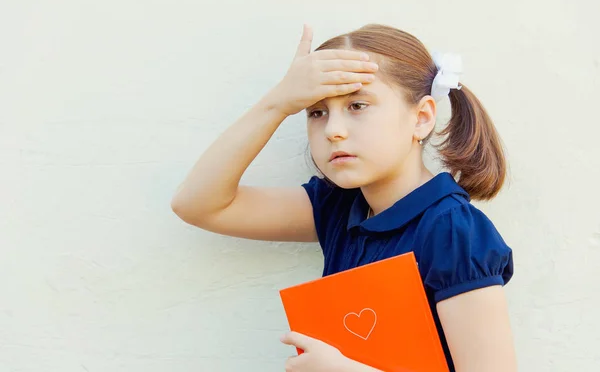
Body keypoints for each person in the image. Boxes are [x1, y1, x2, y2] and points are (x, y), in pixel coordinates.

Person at [171, 23, 517, 372]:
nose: (334, 130)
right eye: (316, 112)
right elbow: (198, 204)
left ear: (422, 118)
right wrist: (278, 103)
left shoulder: (452, 230)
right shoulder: (338, 208)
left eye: (357, 105)